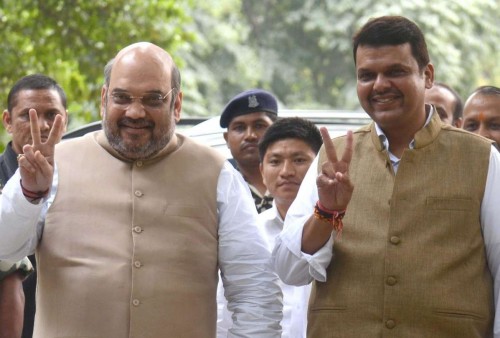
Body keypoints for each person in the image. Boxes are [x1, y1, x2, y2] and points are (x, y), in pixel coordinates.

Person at [0, 42, 282, 338]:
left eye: (153, 99)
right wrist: (29, 193)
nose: (135, 112)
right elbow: (6, 248)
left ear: (177, 104)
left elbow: (255, 292)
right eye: (122, 97)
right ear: (104, 99)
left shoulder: (217, 174)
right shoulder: (53, 164)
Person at [273, 16, 500, 337]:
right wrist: (325, 214)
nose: (380, 85)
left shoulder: (481, 157)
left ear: (428, 75)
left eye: (396, 71)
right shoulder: (332, 158)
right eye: (367, 75)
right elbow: (287, 269)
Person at [217, 117, 322, 338]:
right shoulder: (249, 232)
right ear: (262, 171)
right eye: (275, 162)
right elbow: (226, 308)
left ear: (320, 166)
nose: (286, 171)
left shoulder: (338, 227)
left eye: (299, 160)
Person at [0, 74, 68, 338]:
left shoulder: (86, 179)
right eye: (28, 115)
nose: (41, 125)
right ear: (7, 121)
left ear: (66, 119)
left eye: (52, 115)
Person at [220, 89, 278, 212]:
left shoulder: (299, 184)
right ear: (226, 139)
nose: (250, 135)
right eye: (239, 128)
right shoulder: (219, 190)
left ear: (277, 131)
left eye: (259, 126)